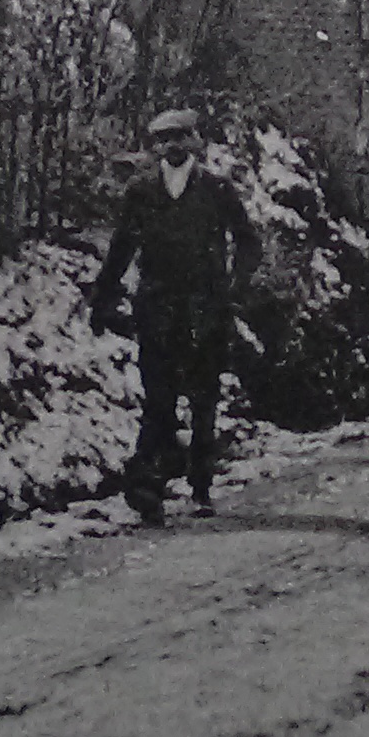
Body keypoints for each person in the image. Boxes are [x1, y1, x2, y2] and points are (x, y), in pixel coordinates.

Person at [88, 106, 260, 525]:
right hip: (158, 309)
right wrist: (103, 297)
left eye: (179, 137)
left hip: (205, 310)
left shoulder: (217, 189)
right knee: (158, 400)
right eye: (164, 140)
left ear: (194, 141)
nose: (172, 146)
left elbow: (248, 242)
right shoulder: (141, 191)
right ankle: (148, 491)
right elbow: (122, 246)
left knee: (204, 401)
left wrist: (233, 289)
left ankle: (200, 486)